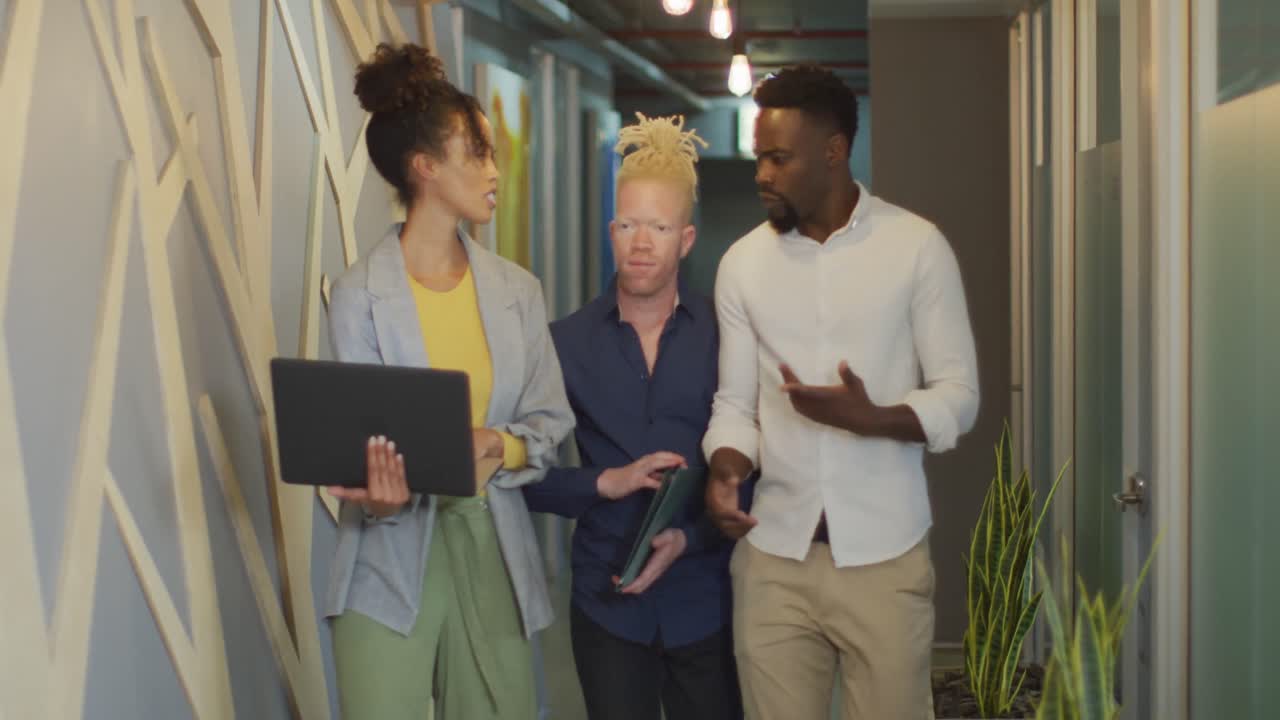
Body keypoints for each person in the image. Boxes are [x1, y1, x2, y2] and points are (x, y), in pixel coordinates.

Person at [702, 65, 980, 719]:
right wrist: (725, 468)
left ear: (833, 152)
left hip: (885, 561)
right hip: (774, 563)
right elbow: (735, 407)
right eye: (758, 158)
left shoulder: (916, 248)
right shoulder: (742, 264)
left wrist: (875, 417)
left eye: (778, 158)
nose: (761, 174)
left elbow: (959, 394)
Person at [322, 43, 574, 720]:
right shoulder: (357, 296)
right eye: (479, 153)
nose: (496, 170)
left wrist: (497, 443)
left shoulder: (517, 292)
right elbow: (355, 446)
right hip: (386, 565)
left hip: (493, 552)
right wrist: (377, 495)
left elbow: (550, 426)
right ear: (425, 167)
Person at [523, 113, 742, 720]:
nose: (642, 243)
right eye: (628, 225)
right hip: (606, 602)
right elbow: (520, 474)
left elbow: (753, 469)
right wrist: (603, 481)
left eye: (659, 227)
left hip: (709, 597)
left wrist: (690, 536)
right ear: (610, 230)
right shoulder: (562, 343)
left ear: (687, 239)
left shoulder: (728, 337)